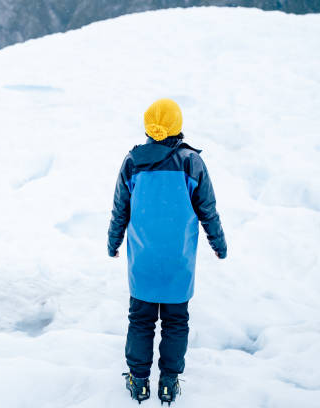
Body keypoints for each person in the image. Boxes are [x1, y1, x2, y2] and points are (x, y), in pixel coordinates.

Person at [108, 98, 227, 404]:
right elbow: (208, 211)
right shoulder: (191, 163)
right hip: (178, 262)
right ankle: (168, 382)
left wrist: (113, 243)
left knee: (141, 320)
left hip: (143, 261)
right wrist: (219, 244)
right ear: (178, 125)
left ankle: (138, 381)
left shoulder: (133, 162)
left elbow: (120, 208)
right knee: (176, 321)